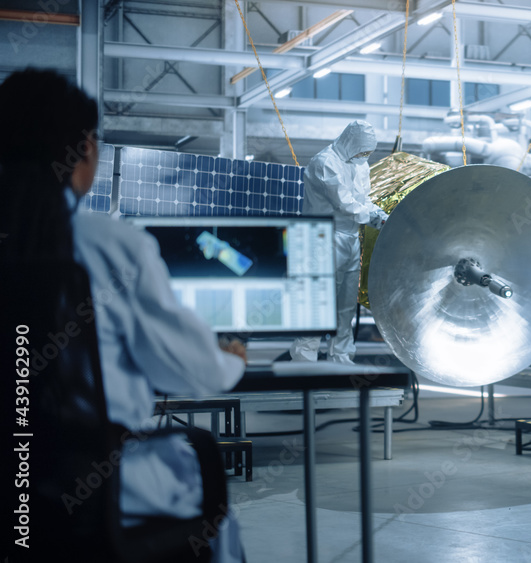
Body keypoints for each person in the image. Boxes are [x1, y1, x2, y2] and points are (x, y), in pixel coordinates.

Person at [0, 69, 246, 561]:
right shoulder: (110, 245)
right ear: (85, 151)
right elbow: (191, 369)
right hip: (95, 490)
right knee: (219, 523)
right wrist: (230, 358)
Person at [290, 120, 386, 363]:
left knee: (345, 303)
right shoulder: (325, 162)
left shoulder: (360, 165)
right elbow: (344, 204)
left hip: (351, 237)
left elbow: (362, 200)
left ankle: (341, 354)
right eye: (362, 150)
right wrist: (372, 216)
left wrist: (380, 215)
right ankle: (305, 356)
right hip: (324, 236)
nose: (364, 156)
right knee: (319, 300)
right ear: (350, 141)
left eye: (368, 152)